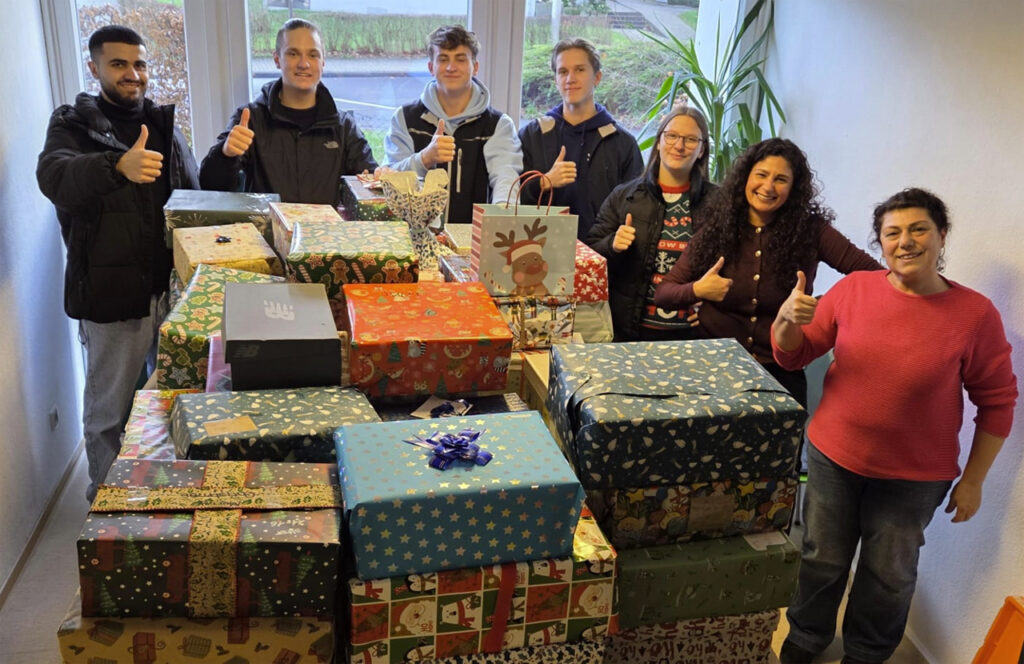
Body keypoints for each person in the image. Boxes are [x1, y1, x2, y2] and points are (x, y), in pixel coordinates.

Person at [772, 188, 1017, 664]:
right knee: (822, 559)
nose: (905, 241)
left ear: (941, 235)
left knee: (888, 575)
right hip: (832, 457)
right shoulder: (853, 289)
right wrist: (786, 319)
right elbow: (794, 352)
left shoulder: (974, 314)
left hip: (914, 477)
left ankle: (865, 654)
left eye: (918, 229)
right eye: (892, 233)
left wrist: (974, 480)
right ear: (880, 243)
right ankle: (805, 639)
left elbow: (998, 401)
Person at [36, 25, 200, 501]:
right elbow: (54, 176)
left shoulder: (163, 123)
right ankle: (107, 511)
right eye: (119, 64)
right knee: (109, 412)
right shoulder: (72, 124)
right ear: (95, 69)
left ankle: (160, 501)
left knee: (171, 405)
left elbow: (193, 192)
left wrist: (226, 157)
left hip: (167, 292)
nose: (133, 74)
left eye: (140, 64)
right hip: (110, 298)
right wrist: (115, 167)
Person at [653, 138, 880, 405]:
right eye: (761, 175)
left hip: (781, 371)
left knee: (781, 447)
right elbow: (664, 293)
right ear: (745, 177)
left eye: (781, 179)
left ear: (794, 187)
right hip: (712, 367)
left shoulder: (811, 231)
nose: (768, 186)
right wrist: (697, 290)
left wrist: (822, 308)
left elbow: (873, 277)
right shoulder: (718, 226)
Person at [199, 18, 377, 206]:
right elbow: (210, 186)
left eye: (313, 55)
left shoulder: (343, 126)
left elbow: (370, 182)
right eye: (293, 53)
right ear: (277, 59)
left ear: (323, 62)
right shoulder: (250, 119)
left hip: (324, 234)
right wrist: (225, 154)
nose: (304, 64)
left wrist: (380, 178)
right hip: (267, 234)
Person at [585, 105, 715, 341]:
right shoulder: (624, 196)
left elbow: (736, 267)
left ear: (702, 150)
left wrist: (716, 308)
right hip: (631, 333)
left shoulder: (719, 203)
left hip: (693, 336)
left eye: (690, 139)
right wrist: (612, 244)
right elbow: (590, 255)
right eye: (672, 136)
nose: (679, 145)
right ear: (658, 142)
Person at [384, 25, 522, 224]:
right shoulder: (405, 119)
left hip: (472, 243)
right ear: (431, 68)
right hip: (413, 240)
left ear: (475, 67)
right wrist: (424, 158)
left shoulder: (498, 125)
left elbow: (506, 180)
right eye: (443, 59)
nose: (451, 67)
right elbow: (390, 181)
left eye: (460, 59)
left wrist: (500, 224)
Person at [518, 38, 642, 239]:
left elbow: (634, 209)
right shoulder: (532, 136)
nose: (570, 79)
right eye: (563, 71)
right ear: (555, 80)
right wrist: (544, 182)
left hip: (602, 259)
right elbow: (509, 203)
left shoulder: (622, 143)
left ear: (597, 77)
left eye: (580, 70)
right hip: (537, 254)